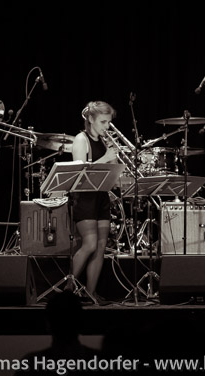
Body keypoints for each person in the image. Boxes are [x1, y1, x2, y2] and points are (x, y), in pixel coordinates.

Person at [67, 101, 119, 304]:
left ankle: (90, 293)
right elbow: (79, 173)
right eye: (103, 122)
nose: (107, 126)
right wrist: (106, 157)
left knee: (100, 246)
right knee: (89, 244)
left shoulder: (105, 141)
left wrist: (113, 156)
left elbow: (113, 172)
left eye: (109, 122)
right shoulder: (81, 139)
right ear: (90, 119)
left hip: (101, 196)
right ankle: (67, 291)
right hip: (85, 197)